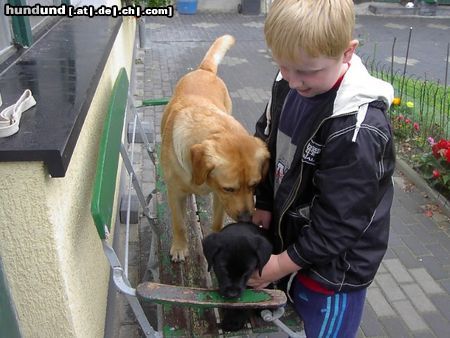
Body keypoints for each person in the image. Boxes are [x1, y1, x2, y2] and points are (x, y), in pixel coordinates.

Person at [247, 0, 396, 337]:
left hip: (332, 275)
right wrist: (265, 202)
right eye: (283, 65)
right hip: (294, 251)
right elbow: (267, 141)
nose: (294, 80)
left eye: (307, 71)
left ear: (347, 52)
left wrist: (279, 265)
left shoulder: (356, 129)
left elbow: (341, 224)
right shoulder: (286, 84)